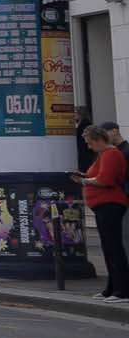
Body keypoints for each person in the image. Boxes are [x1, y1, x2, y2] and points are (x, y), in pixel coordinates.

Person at [74, 123, 129, 301]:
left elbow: (105, 180)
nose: (89, 147)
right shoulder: (103, 155)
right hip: (104, 205)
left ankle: (122, 290)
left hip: (110, 204)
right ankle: (112, 288)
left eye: (90, 143)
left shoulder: (110, 154)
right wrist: (85, 177)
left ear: (99, 140)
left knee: (114, 248)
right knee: (108, 248)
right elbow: (98, 176)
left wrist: (84, 181)